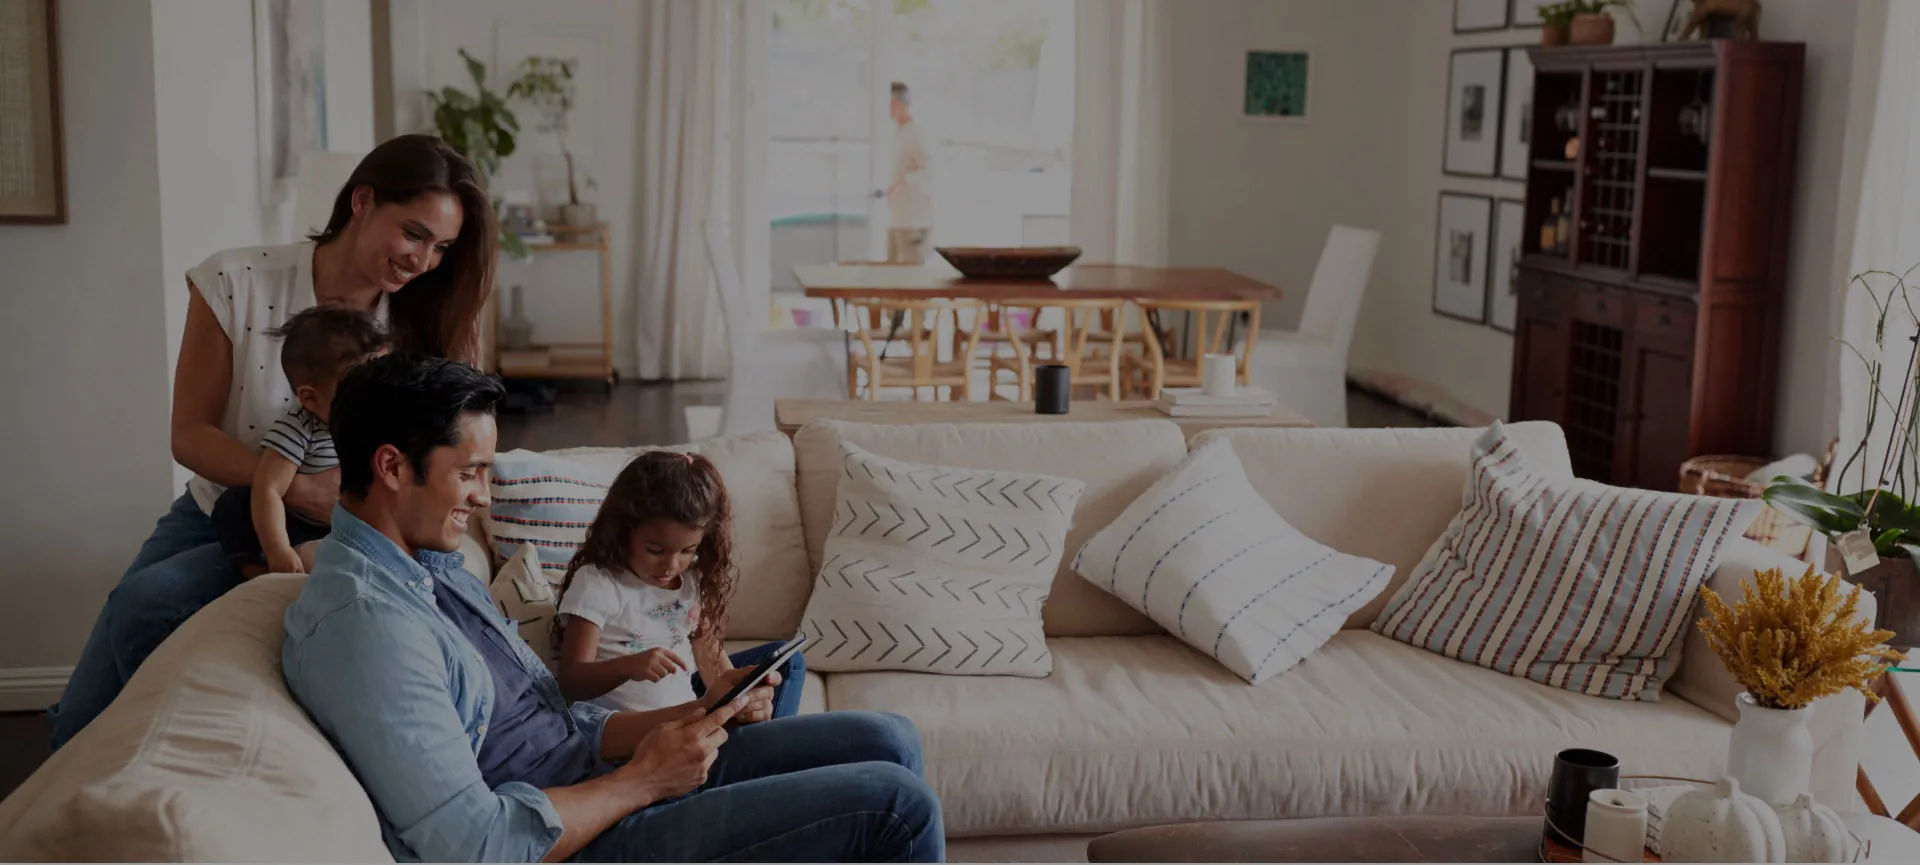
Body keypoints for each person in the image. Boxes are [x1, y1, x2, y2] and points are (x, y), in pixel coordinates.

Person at [282, 353, 944, 862]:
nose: (482, 495)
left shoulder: (435, 568)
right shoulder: (366, 626)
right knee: (896, 805)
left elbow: (556, 721)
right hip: (584, 834)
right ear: (393, 467)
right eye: (469, 471)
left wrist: (698, 711)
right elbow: (475, 846)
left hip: (601, 777)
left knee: (888, 737)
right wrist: (647, 780)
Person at [49, 134, 497, 749]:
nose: (423, 261)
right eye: (413, 234)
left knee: (148, 604)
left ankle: (145, 755)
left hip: (342, 528)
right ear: (362, 201)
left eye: (441, 247)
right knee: (91, 693)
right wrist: (293, 486)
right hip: (220, 504)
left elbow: (450, 453)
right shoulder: (236, 281)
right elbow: (190, 435)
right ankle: (89, 771)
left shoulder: (424, 319)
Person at [552, 451, 806, 719]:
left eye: (687, 551)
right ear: (623, 529)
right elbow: (571, 681)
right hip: (641, 730)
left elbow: (714, 666)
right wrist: (628, 666)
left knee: (787, 663)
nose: (671, 565)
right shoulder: (598, 583)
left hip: (692, 718)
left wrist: (740, 701)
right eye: (655, 550)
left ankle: (763, 735)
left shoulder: (690, 582)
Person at [210, 306, 388, 577]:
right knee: (235, 504)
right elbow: (269, 489)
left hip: (354, 527)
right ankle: (264, 574)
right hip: (300, 527)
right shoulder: (299, 430)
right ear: (310, 398)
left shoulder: (381, 424)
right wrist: (278, 549)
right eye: (359, 390)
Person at [886, 81, 934, 264]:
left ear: (895, 103)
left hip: (914, 221)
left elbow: (931, 172)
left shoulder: (917, 133)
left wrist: (904, 181)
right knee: (892, 273)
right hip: (898, 219)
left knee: (910, 274)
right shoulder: (899, 133)